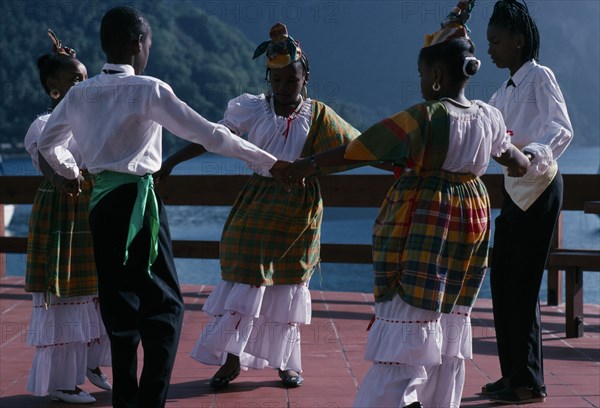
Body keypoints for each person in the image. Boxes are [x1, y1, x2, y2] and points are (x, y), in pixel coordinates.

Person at [37, 7, 288, 408]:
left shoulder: (80, 93)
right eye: (148, 44)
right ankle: (149, 401)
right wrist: (271, 163)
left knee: (119, 309)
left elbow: (49, 144)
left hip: (100, 204)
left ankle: (125, 401)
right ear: (139, 43)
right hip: (138, 204)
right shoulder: (148, 89)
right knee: (165, 308)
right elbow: (210, 135)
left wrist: (73, 172)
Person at [285, 1, 531, 406]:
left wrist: (307, 164)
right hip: (471, 217)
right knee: (451, 311)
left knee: (412, 308)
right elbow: (518, 163)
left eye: (421, 74)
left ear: (435, 75)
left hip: (426, 218)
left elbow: (359, 149)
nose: (419, 81)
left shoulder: (424, 116)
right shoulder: (488, 117)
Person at [155, 22, 360, 389]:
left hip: (300, 208)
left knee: (288, 284)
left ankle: (286, 363)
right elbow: (213, 137)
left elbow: (356, 148)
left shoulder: (320, 116)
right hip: (257, 202)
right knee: (244, 281)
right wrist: (172, 162)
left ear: (305, 77)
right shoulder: (251, 109)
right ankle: (231, 360)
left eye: (290, 80)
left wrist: (312, 165)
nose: (282, 88)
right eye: (276, 80)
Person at [482, 0, 573, 404]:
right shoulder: (500, 94)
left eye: (496, 41)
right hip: (514, 193)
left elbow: (561, 128)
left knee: (523, 282)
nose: (490, 50)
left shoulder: (540, 77)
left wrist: (530, 155)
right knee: (502, 279)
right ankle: (511, 373)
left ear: (518, 41)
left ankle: (529, 382)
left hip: (539, 186)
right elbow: (486, 135)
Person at [24, 30, 112, 404]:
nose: (84, 84)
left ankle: (90, 362)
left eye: (85, 77)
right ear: (53, 87)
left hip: (90, 207)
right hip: (63, 209)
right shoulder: (42, 126)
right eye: (75, 79)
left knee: (97, 292)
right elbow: (56, 168)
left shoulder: (92, 121)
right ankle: (61, 381)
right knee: (65, 293)